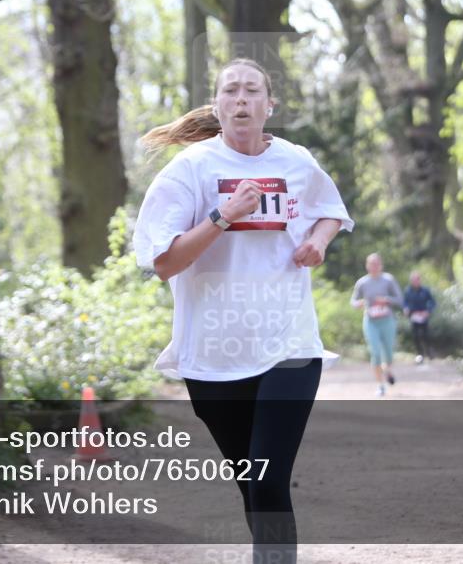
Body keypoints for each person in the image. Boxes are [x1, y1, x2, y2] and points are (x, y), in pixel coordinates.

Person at [133, 58, 354, 564]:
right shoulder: (190, 170)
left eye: (252, 90)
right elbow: (164, 263)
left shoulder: (296, 161)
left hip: (288, 345)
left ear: (268, 105)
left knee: (270, 480)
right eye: (230, 91)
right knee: (253, 486)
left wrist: (318, 243)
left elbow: (331, 212)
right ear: (217, 106)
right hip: (213, 353)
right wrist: (222, 217)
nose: (241, 99)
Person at [350, 253, 404, 396]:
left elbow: (399, 299)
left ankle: (387, 370)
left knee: (388, 352)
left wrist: (386, 300)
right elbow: (353, 301)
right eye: (371, 264)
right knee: (375, 352)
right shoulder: (362, 282)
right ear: (367, 266)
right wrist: (359, 303)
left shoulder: (388, 280)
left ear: (381, 265)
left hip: (387, 320)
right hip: (370, 321)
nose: (374, 267)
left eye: (376, 264)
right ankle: (380, 385)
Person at [403, 271, 437, 363]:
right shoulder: (408, 291)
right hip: (414, 316)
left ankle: (429, 351)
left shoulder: (425, 290)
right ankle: (419, 354)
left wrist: (428, 311)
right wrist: (406, 309)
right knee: (415, 336)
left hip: (423, 316)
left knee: (426, 335)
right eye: (413, 280)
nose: (415, 282)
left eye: (416, 280)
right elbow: (405, 302)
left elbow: (432, 302)